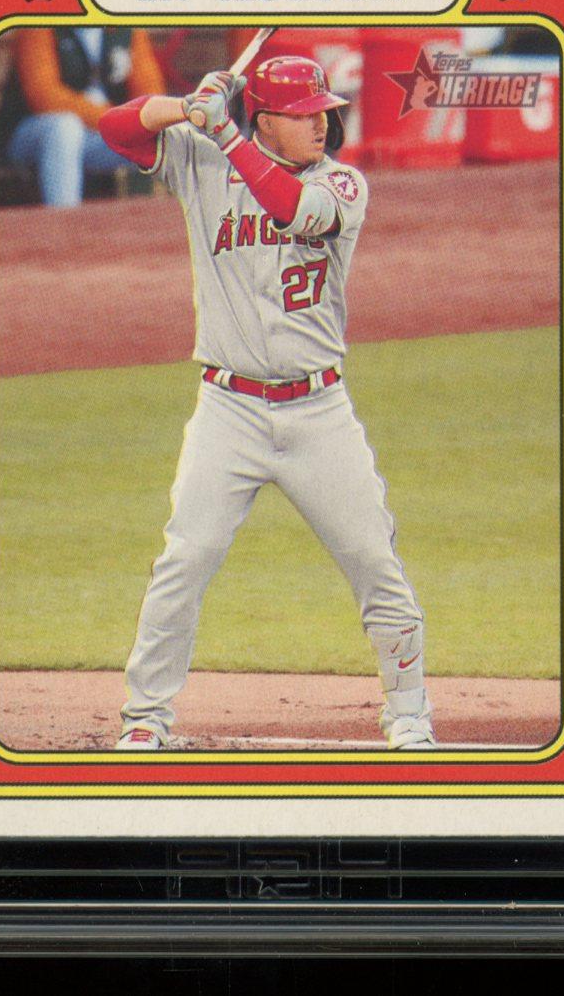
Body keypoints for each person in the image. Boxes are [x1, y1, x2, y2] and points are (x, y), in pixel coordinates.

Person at [98, 55, 435, 752]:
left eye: (323, 111)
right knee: (185, 559)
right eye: (304, 113)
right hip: (228, 411)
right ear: (265, 119)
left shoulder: (342, 183)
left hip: (319, 412)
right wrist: (185, 105)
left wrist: (223, 132)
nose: (322, 123)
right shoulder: (201, 159)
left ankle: (409, 715)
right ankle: (146, 717)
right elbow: (116, 128)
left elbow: (290, 208)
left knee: (374, 561)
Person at [0, 26, 164, 208]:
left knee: (160, 134)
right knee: (65, 127)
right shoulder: (40, 26)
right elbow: (45, 97)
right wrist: (115, 119)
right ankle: (64, 218)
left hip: (100, 135)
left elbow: (150, 95)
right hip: (33, 134)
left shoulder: (127, 29)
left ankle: (158, 220)